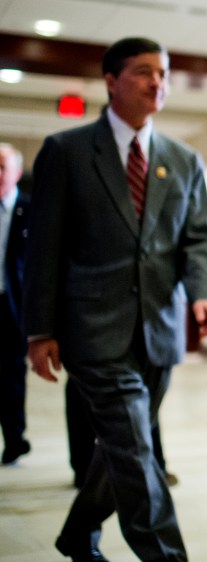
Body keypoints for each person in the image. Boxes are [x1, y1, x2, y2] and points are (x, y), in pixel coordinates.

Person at [24, 37, 207, 561]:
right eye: (142, 71)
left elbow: (201, 237)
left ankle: (76, 534)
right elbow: (44, 245)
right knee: (135, 448)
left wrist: (202, 294)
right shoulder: (66, 152)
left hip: (159, 326)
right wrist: (39, 329)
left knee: (121, 447)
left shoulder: (182, 159)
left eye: (162, 72)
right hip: (92, 326)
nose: (157, 81)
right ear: (111, 81)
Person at [0, 143, 30, 465]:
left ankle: (14, 438)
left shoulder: (30, 210)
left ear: (17, 173)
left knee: (11, 375)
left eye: (2, 167)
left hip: (11, 305)